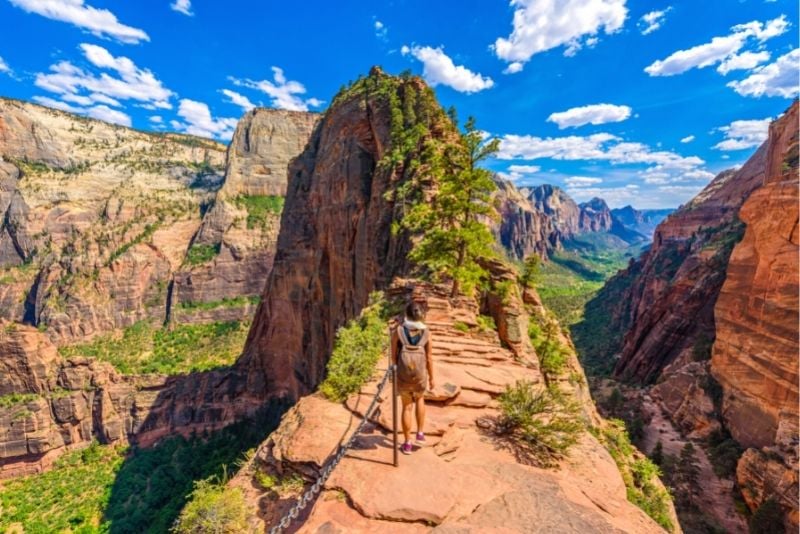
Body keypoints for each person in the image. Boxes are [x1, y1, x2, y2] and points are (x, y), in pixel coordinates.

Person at [391, 301, 434, 455]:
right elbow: (429, 357)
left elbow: (393, 356)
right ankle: (420, 433)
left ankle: (407, 443)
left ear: (406, 315)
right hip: (420, 375)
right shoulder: (427, 332)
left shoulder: (399, 330)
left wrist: (394, 372)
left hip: (403, 375)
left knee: (406, 407)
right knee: (420, 399)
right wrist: (432, 378)